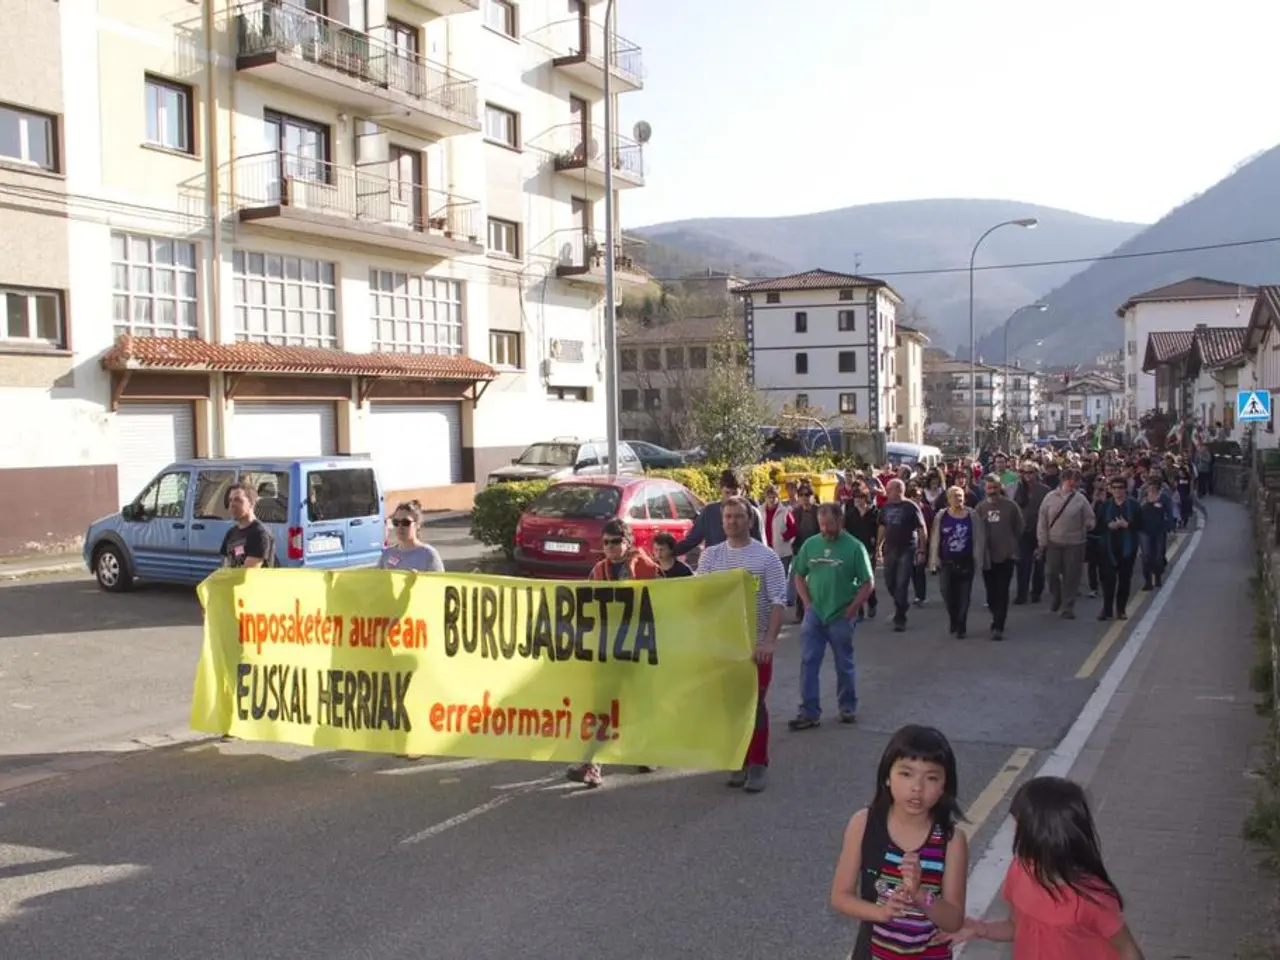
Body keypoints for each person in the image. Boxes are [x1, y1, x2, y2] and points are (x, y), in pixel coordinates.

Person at [946, 776, 1145, 959]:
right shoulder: (1019, 870)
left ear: (1040, 834)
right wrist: (981, 929)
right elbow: (1017, 927)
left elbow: (1127, 949)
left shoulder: (1089, 897)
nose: (1014, 830)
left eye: (1018, 824)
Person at [829, 725, 968, 958]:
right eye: (906, 773)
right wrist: (881, 912)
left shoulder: (951, 841)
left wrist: (920, 894)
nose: (917, 788)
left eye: (931, 778)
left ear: (944, 786)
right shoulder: (864, 824)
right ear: (887, 777)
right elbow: (840, 896)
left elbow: (953, 920)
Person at [696, 497, 786, 793]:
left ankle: (758, 763)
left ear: (750, 520)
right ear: (721, 522)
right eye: (728, 517)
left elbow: (777, 602)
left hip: (755, 647)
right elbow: (699, 598)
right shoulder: (710, 557)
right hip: (723, 648)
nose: (732, 521)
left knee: (755, 705)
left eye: (738, 516)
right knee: (731, 707)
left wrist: (769, 642)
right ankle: (740, 760)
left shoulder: (767, 558)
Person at [567, 518, 659, 787]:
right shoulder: (598, 570)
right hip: (608, 649)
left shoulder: (643, 565)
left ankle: (647, 751)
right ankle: (592, 764)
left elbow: (661, 596)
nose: (610, 547)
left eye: (616, 541)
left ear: (627, 541)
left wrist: (633, 565)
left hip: (640, 648)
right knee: (602, 707)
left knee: (641, 703)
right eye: (605, 542)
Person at [788, 502, 875, 731]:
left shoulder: (854, 547)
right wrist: (807, 603)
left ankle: (847, 707)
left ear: (840, 521)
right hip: (815, 614)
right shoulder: (811, 544)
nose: (825, 529)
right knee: (808, 662)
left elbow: (868, 583)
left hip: (841, 614)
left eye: (829, 524)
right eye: (822, 524)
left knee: (843, 663)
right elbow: (799, 575)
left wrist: (853, 608)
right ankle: (809, 712)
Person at [1036, 468, 1095, 620]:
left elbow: (1090, 517)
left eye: (1075, 480)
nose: (1072, 482)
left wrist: (1089, 524)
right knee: (1051, 573)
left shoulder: (1080, 499)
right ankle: (1057, 596)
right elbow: (1042, 521)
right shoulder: (1049, 498)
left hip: (1075, 543)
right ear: (1063, 480)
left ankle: (1067, 606)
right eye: (1069, 479)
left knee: (1071, 575)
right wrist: (1042, 541)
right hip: (1054, 542)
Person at [975, 474, 1024, 641]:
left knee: (1002, 591)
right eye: (989, 488)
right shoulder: (980, 508)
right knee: (991, 593)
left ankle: (998, 625)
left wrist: (1011, 544)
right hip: (988, 557)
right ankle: (996, 615)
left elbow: (1019, 527)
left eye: (995, 488)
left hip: (1006, 556)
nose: (992, 491)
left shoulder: (1011, 506)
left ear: (1000, 488)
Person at [876, 479, 929, 633]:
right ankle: (902, 603)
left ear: (898, 490)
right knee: (889, 581)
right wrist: (879, 545)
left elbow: (921, 528)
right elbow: (882, 526)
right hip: (890, 548)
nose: (886, 492)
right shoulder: (885, 507)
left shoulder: (911, 506)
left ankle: (900, 618)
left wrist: (921, 549)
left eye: (888, 489)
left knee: (902, 582)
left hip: (907, 548)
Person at [672, 469, 763, 556]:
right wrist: (669, 552)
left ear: (742, 491)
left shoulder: (752, 513)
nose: (731, 497)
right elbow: (691, 541)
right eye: (727, 493)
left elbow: (760, 547)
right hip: (716, 567)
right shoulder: (709, 512)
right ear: (721, 490)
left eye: (734, 493)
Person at [929, 486, 980, 639]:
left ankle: (961, 624)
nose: (958, 499)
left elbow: (979, 537)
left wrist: (979, 558)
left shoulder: (972, 515)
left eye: (960, 496)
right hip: (946, 561)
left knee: (964, 595)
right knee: (947, 592)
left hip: (966, 561)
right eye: (954, 496)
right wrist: (934, 558)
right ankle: (953, 618)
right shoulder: (941, 516)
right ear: (948, 499)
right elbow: (935, 539)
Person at [1094, 477, 1141, 621]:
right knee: (1108, 579)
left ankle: (1121, 609)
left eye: (1120, 487)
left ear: (1125, 489)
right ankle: (1106, 608)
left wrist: (1128, 525)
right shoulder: (1106, 505)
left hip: (1128, 548)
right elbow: (1098, 526)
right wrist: (1109, 526)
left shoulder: (1133, 505)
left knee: (1124, 579)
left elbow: (1141, 524)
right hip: (1109, 547)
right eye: (1114, 488)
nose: (1117, 491)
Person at [1012, 462, 1048, 605]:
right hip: (1023, 531)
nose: (1028, 475)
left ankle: (1036, 592)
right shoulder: (1018, 489)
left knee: (1039, 563)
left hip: (1039, 530)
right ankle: (1022, 594)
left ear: (1036, 473)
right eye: (1024, 472)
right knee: (1022, 564)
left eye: (1031, 472)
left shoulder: (1044, 490)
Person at [843, 483, 880, 620]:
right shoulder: (850, 514)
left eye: (861, 497)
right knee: (857, 581)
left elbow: (880, 530)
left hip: (870, 549)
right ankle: (859, 610)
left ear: (866, 498)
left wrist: (877, 546)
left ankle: (872, 602)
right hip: (855, 550)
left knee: (868, 578)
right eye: (855, 497)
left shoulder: (874, 512)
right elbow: (845, 531)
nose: (858, 500)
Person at [220, 483, 276, 568]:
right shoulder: (231, 533)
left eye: (237, 500)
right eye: (230, 500)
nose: (232, 504)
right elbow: (224, 566)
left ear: (251, 503)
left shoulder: (259, 534)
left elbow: (248, 573)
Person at [378, 501, 445, 571]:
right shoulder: (387, 554)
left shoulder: (429, 554)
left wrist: (418, 579)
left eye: (406, 523)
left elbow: (439, 581)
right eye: (396, 522)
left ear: (417, 525)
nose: (400, 527)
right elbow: (376, 580)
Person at [1136, 481, 1168, 590]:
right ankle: (1148, 582)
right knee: (1146, 557)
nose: (1152, 493)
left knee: (1158, 556)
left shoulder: (1161, 503)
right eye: (1150, 491)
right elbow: (1138, 514)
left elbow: (1164, 513)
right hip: (1144, 532)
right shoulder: (1142, 503)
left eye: (1154, 491)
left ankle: (1158, 577)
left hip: (1158, 532)